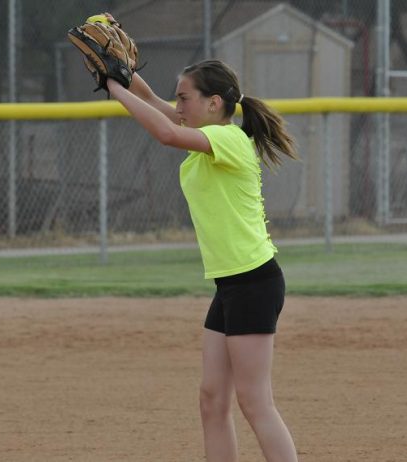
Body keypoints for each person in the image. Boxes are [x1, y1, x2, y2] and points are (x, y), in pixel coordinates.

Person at [105, 59, 299, 462]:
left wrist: (113, 89)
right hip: (231, 284)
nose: (178, 105)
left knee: (255, 402)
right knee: (212, 400)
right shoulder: (206, 134)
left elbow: (164, 132)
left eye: (184, 97)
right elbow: (161, 109)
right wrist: (126, 74)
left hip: (254, 282)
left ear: (214, 103)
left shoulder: (226, 139)